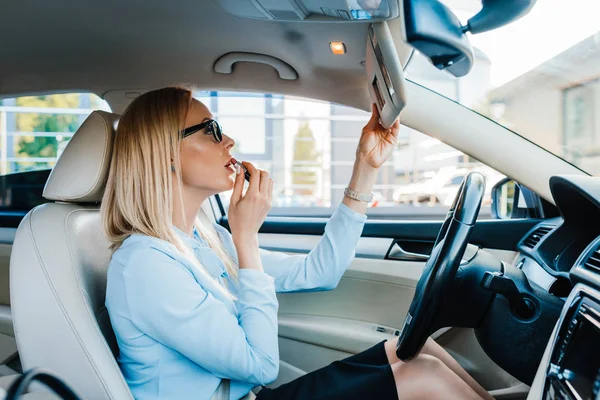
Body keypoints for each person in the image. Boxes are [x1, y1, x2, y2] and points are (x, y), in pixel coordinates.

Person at [102, 87, 493, 400]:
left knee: (417, 352)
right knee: (421, 376)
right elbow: (260, 364)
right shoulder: (145, 264)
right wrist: (246, 238)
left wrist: (365, 166)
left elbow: (320, 271)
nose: (230, 140)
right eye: (211, 129)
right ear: (165, 153)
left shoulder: (204, 238)